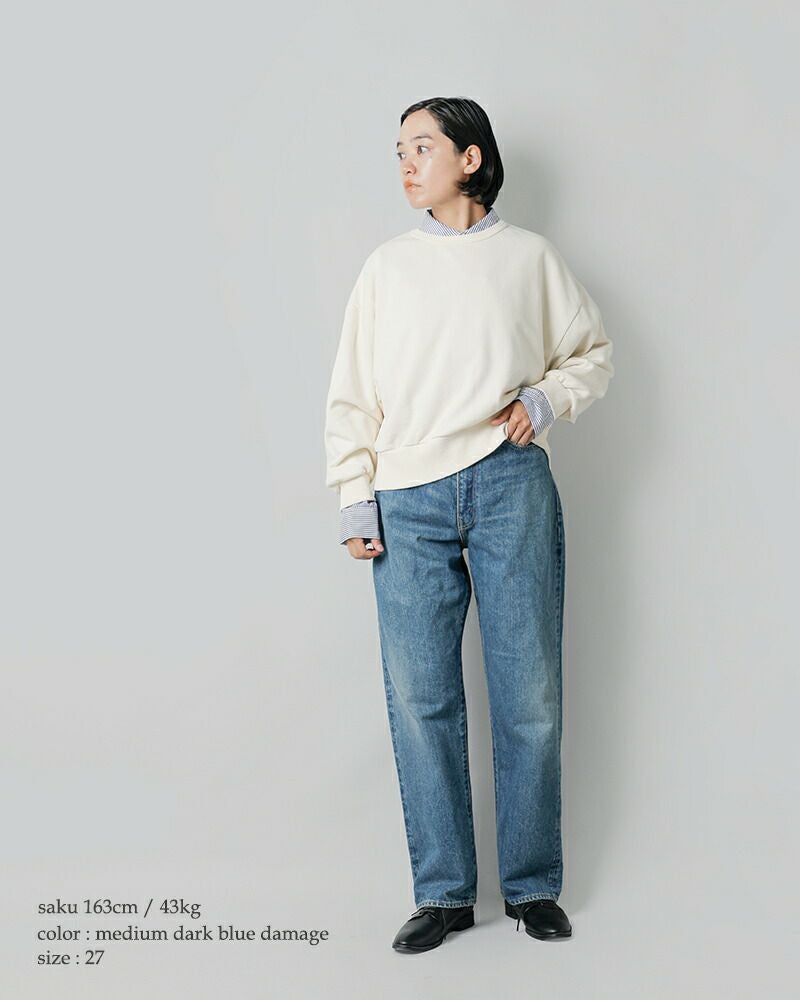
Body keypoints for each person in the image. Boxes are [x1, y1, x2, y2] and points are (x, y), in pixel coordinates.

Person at [324, 96, 614, 953]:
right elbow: (352, 393)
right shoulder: (386, 268)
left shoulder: (529, 258)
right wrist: (355, 495)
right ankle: (445, 894)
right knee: (422, 698)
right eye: (399, 151)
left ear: (471, 157)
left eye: (422, 147)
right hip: (406, 501)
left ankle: (532, 887)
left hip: (509, 484)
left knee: (530, 696)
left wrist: (545, 400)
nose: (406, 164)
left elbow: (591, 353)